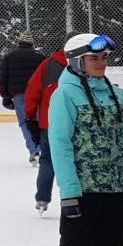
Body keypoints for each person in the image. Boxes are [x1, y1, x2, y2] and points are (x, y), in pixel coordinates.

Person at [48, 33, 123, 246]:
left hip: (115, 191)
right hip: (84, 193)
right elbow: (60, 147)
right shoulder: (64, 95)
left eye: (104, 57)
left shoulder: (115, 94)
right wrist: (69, 195)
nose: (102, 62)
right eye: (94, 58)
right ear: (77, 61)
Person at [24, 40, 72, 213]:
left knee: (48, 160)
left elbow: (32, 91)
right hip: (76, 122)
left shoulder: (48, 64)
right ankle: (76, 199)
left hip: (48, 122)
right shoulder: (87, 62)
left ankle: (42, 198)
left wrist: (30, 117)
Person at [0, 32, 47, 165]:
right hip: (37, 94)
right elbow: (46, 76)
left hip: (18, 94)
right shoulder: (40, 57)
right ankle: (43, 149)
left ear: (19, 42)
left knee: (25, 123)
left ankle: (34, 150)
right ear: (32, 44)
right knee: (38, 121)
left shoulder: (9, 57)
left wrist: (5, 96)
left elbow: (2, 77)